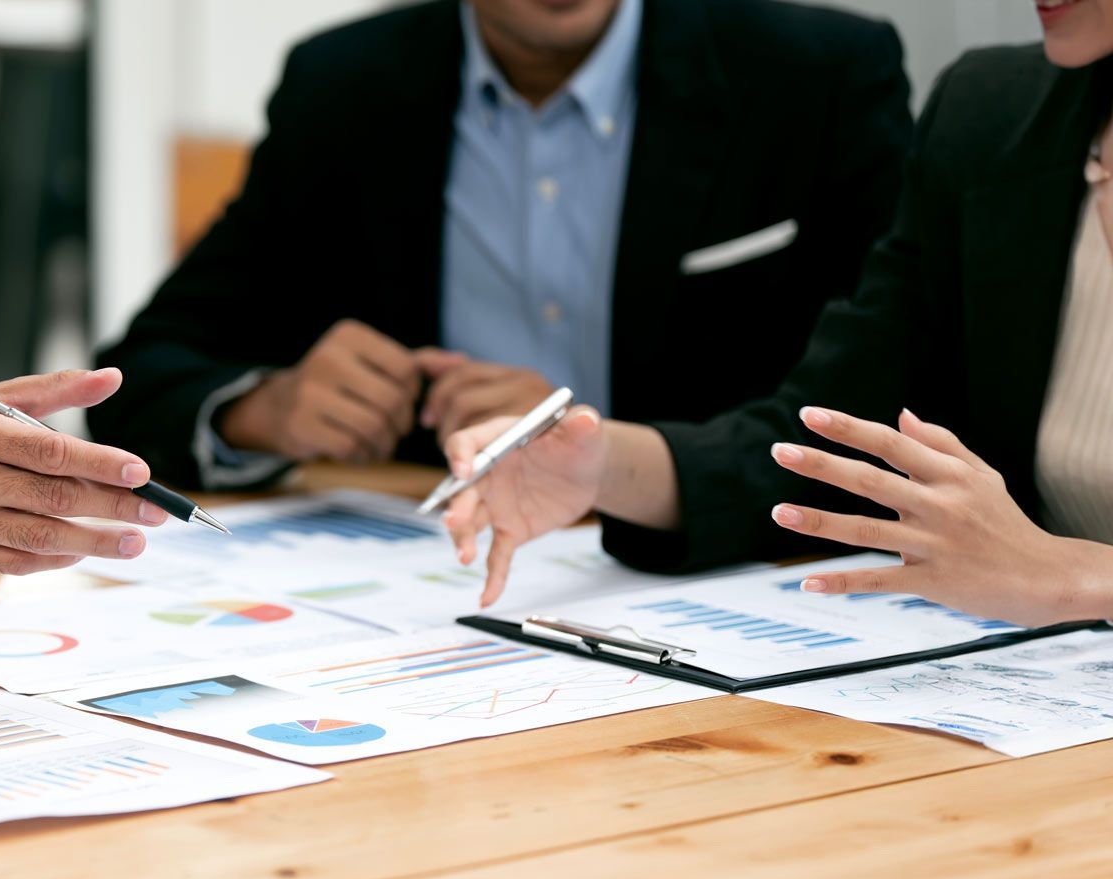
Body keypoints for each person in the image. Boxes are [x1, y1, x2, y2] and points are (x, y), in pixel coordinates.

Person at [439, 0, 1113, 628]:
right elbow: (836, 439)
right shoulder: (993, 114)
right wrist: (600, 465)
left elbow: (1036, 567)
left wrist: (1073, 576)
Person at [88, 0, 914, 492]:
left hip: (722, 574)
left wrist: (597, 450)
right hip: (434, 584)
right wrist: (262, 407)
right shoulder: (346, 88)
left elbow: (902, 404)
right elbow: (135, 375)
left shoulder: (814, 77)